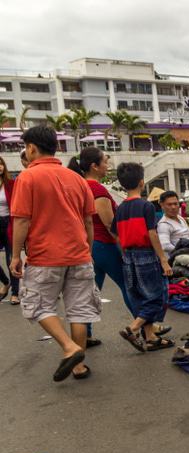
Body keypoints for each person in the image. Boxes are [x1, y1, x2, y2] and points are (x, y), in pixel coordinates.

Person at [8, 125, 99, 381]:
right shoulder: (76, 178)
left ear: (32, 148)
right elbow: (89, 222)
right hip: (79, 254)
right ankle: (79, 366)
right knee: (79, 310)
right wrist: (87, 250)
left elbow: (22, 220)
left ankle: (69, 349)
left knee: (38, 306)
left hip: (45, 256)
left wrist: (16, 255)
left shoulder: (28, 177)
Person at [67, 147, 132, 345]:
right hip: (105, 244)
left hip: (89, 245)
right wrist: (124, 247)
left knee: (89, 292)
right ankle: (146, 327)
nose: (107, 165)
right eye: (105, 161)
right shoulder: (97, 189)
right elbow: (109, 223)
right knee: (128, 286)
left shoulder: (79, 185)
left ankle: (85, 335)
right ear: (94, 166)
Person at [113, 162, 174, 353]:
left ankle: (150, 338)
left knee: (140, 296)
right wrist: (163, 259)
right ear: (142, 182)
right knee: (156, 296)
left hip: (128, 256)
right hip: (146, 254)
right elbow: (152, 234)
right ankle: (133, 328)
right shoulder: (146, 206)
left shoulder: (121, 208)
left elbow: (114, 232)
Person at [0, 156, 17, 302]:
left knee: (11, 259)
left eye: (1, 164)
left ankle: (15, 293)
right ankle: (6, 283)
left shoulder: (11, 184)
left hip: (10, 223)